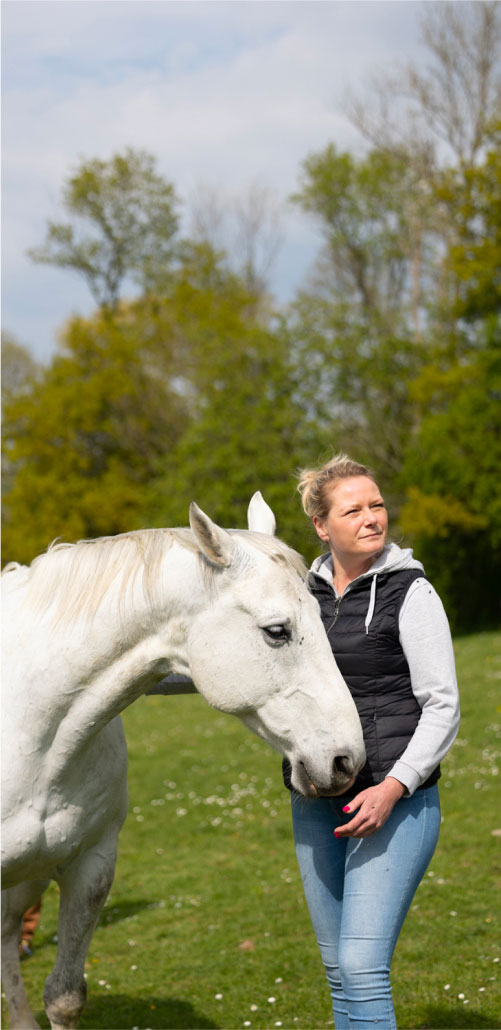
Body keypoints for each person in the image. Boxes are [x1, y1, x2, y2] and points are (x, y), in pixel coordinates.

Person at [285, 454, 460, 1030]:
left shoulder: (412, 593)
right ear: (321, 525)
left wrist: (393, 787)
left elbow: (443, 706)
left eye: (377, 504)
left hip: (394, 805)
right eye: (353, 508)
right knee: (339, 970)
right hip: (316, 803)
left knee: (362, 967)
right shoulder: (298, 597)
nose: (371, 517)